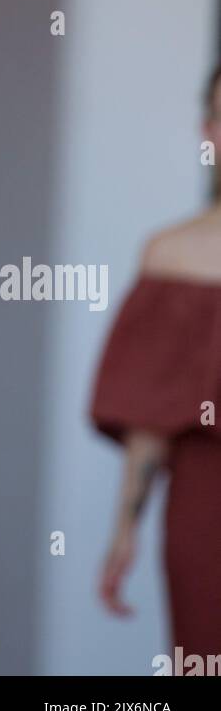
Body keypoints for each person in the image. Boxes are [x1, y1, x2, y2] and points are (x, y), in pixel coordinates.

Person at [90, 62, 221, 662]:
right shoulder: (170, 255)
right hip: (205, 505)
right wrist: (125, 529)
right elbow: (148, 418)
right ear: (208, 131)